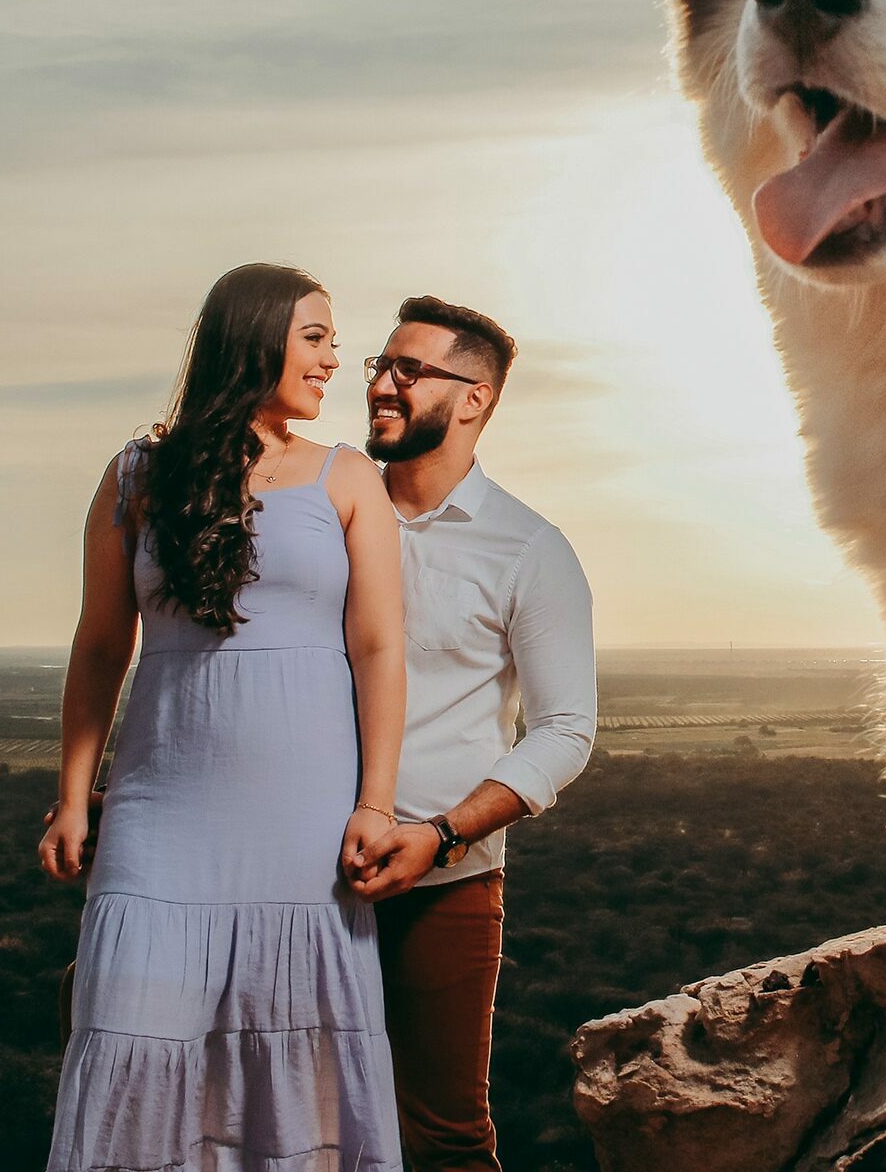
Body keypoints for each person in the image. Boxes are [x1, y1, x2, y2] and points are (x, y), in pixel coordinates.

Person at [39, 263, 406, 1172]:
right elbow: (97, 648)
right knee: (130, 1039)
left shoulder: (348, 479)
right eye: (315, 336)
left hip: (304, 826)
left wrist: (378, 802)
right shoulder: (137, 474)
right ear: (255, 338)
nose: (333, 360)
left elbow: (380, 651)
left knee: (296, 1067)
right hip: (159, 821)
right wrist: (74, 798)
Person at [348, 296, 597, 1172]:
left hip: (442, 885)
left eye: (408, 371)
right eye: (379, 365)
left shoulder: (527, 548)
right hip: (290, 868)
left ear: (474, 399)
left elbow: (565, 731)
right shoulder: (323, 519)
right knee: (294, 1117)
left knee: (445, 1134)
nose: (381, 383)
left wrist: (444, 834)